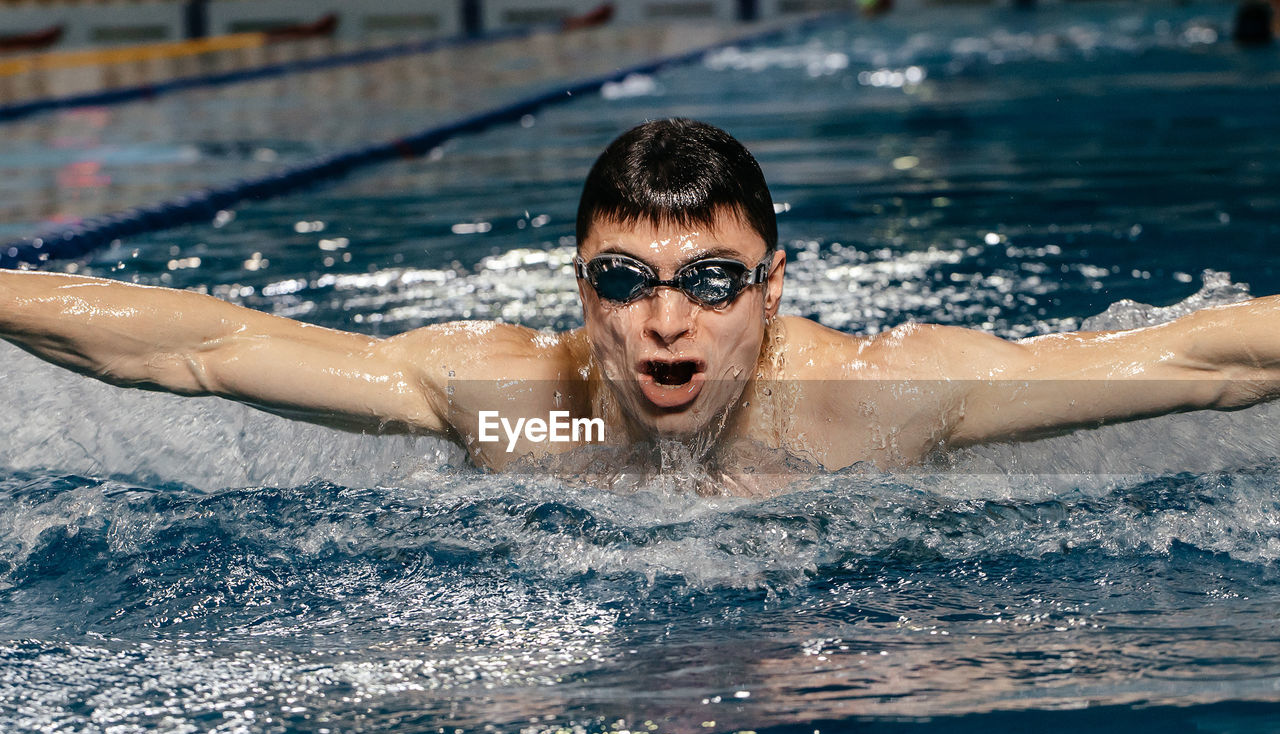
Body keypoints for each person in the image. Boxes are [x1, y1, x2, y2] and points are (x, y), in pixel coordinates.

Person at [2, 118, 1278, 484]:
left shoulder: (867, 406)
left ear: (773, 290)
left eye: (711, 282)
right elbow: (211, 349)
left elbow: (1196, 365)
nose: (666, 323)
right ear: (583, 290)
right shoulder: (519, 411)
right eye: (626, 281)